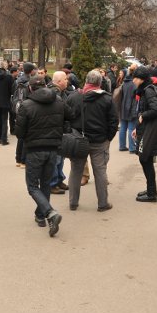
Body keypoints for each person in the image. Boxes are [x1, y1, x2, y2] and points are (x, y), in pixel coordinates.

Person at [15, 75, 70, 237]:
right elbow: (71, 115)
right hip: (53, 148)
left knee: (32, 186)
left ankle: (49, 212)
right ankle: (41, 215)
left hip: (34, 150)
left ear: (31, 88)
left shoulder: (26, 105)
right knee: (45, 183)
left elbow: (19, 132)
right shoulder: (59, 101)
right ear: (46, 85)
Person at [66, 69, 119, 212]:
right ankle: (103, 203)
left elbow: (67, 118)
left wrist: (71, 133)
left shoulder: (74, 97)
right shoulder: (107, 99)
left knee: (76, 171)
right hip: (99, 140)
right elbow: (114, 121)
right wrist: (108, 138)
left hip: (78, 140)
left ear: (86, 81)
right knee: (100, 172)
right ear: (100, 82)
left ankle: (73, 203)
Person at [133, 67, 157, 202]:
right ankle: (151, 189)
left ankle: (152, 193)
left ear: (140, 79)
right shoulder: (145, 89)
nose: (133, 80)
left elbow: (155, 110)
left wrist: (142, 115)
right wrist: (138, 127)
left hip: (149, 131)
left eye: (135, 77)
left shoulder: (148, 91)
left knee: (145, 159)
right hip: (146, 129)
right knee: (145, 159)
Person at [48, 71, 72, 194]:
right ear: (58, 82)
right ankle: (52, 183)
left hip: (60, 129)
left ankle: (58, 179)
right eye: (65, 79)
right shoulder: (53, 93)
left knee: (61, 157)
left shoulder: (61, 92)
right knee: (56, 158)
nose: (67, 81)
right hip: (55, 130)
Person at [118, 65, 137, 153]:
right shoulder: (134, 84)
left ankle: (122, 146)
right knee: (131, 128)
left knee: (123, 127)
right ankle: (132, 148)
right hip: (131, 106)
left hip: (123, 106)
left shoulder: (124, 82)